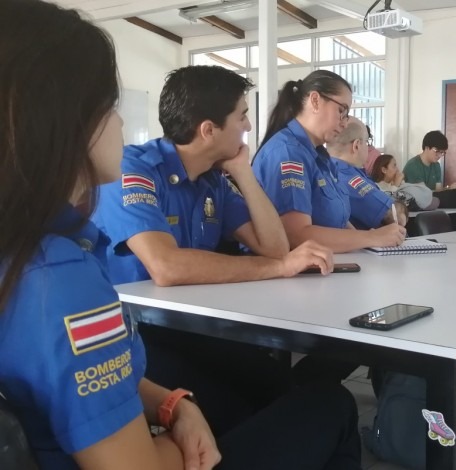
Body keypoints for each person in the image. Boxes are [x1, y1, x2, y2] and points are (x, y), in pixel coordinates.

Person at [0, 3, 362, 470]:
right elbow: (169, 267)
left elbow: (275, 246)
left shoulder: (30, 247)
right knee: (330, 405)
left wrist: (243, 173)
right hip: (151, 334)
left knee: (267, 390)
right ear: (69, 123)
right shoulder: (66, 275)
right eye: (111, 106)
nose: (123, 122)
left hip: (136, 359)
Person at [252, 70, 406, 254]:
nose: (344, 122)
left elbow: (341, 222)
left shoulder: (319, 157)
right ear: (315, 101)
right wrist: (372, 237)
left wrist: (370, 243)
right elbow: (296, 236)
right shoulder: (288, 153)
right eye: (341, 111)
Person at [327, 117, 408, 228]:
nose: (368, 146)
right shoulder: (349, 178)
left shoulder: (326, 171)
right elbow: (396, 216)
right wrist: (402, 206)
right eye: (367, 141)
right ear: (356, 145)